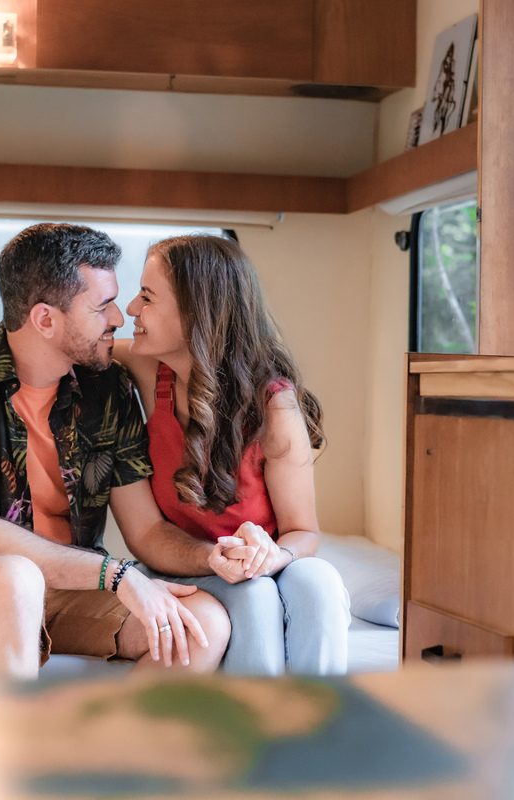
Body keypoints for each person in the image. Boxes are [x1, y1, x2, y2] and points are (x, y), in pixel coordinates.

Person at [0, 223, 231, 679]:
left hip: (70, 587)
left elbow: (146, 531)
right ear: (45, 319)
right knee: (14, 579)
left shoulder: (108, 387)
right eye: (102, 306)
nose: (119, 317)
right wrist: (118, 576)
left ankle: (110, 747)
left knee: (203, 622)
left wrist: (211, 556)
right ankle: (0, 749)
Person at [113, 234, 350, 676]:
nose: (130, 310)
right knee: (253, 596)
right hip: (192, 563)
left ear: (196, 312)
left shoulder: (274, 408)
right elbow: (53, 338)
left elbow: (303, 533)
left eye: (146, 297)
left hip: (266, 560)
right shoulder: (147, 368)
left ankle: (321, 730)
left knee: (320, 583)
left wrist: (271, 558)